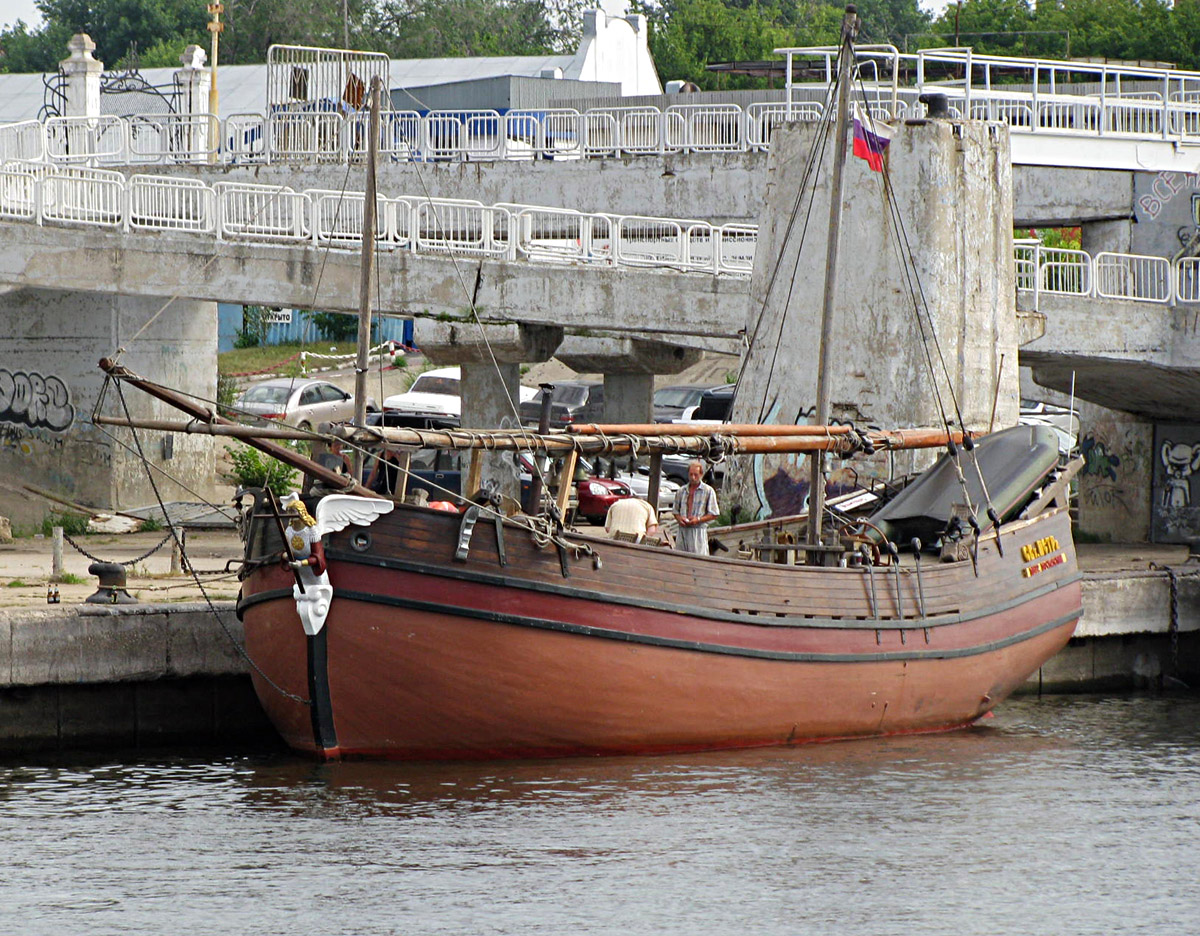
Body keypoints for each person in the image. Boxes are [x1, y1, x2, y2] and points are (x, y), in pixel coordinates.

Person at [673, 460, 719, 555]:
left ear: (701, 475)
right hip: (683, 531)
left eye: (696, 475)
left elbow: (714, 514)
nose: (693, 477)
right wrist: (679, 519)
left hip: (698, 531)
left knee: (698, 559)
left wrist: (698, 519)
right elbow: (675, 511)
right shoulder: (681, 491)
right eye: (691, 475)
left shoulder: (708, 491)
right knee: (680, 558)